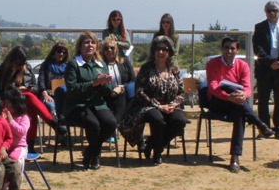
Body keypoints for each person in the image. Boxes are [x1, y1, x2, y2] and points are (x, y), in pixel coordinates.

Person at [204, 36, 274, 173]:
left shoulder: (243, 66)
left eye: (232, 48)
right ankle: (260, 124)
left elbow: (247, 88)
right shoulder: (212, 63)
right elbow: (213, 87)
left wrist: (244, 95)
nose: (229, 51)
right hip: (218, 101)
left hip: (236, 104)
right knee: (231, 90)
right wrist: (228, 96)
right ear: (222, 49)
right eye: (226, 48)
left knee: (240, 114)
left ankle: (235, 157)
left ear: (237, 50)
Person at [118, 36, 187, 165]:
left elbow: (182, 92)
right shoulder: (146, 68)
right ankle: (157, 154)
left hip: (170, 105)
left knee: (180, 121)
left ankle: (151, 145)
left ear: (169, 51)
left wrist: (173, 104)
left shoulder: (174, 70)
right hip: (147, 105)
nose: (160, 52)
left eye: (164, 49)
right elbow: (140, 92)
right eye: (157, 49)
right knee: (158, 119)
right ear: (153, 51)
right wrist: (159, 106)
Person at [63, 32, 118, 170]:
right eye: (86, 42)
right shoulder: (73, 64)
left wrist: (104, 83)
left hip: (97, 103)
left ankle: (90, 151)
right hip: (77, 105)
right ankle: (95, 156)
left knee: (111, 123)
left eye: (92, 42)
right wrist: (93, 83)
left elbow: (107, 91)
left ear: (96, 46)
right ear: (80, 46)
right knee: (93, 124)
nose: (90, 45)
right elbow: (72, 88)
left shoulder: (101, 64)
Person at [251, 1, 279, 140]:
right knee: (263, 100)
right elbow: (257, 47)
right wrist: (270, 62)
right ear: (265, 12)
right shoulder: (259, 27)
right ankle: (264, 129)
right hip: (264, 69)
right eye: (269, 10)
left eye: (274, 10)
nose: (272, 13)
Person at [0, 45, 55, 145]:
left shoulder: (27, 68)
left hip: (24, 101)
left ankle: (30, 144)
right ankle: (52, 122)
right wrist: (16, 90)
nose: (22, 65)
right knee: (28, 98)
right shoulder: (2, 71)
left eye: (23, 63)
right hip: (8, 101)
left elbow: (36, 87)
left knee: (31, 109)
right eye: (20, 63)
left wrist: (31, 89)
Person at [100, 36, 136, 126]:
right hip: (107, 95)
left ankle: (113, 125)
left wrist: (122, 87)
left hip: (123, 95)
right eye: (106, 48)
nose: (109, 50)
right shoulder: (100, 64)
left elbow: (133, 80)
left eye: (112, 48)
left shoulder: (124, 61)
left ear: (116, 49)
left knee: (121, 96)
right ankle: (113, 126)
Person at [37, 42, 69, 122]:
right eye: (59, 51)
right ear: (54, 52)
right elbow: (41, 81)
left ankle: (62, 128)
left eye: (64, 52)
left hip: (63, 96)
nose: (61, 54)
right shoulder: (46, 65)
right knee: (51, 106)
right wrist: (45, 94)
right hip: (48, 95)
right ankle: (57, 126)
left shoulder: (68, 67)